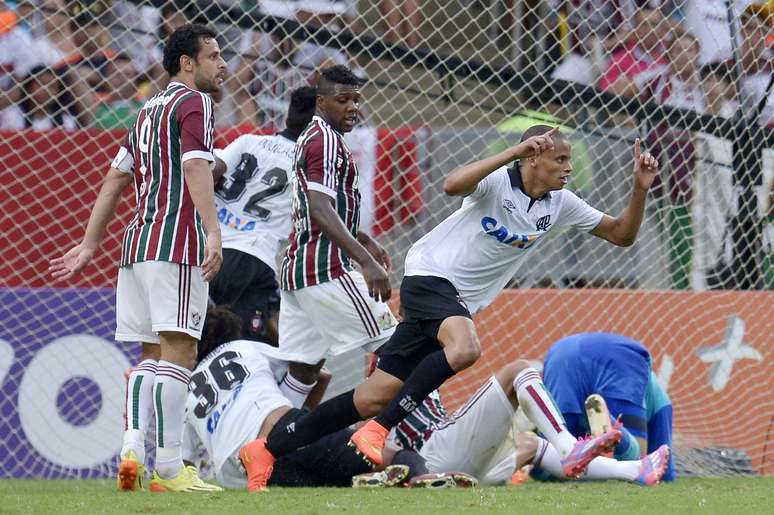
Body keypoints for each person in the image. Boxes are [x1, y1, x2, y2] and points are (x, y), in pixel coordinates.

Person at [238, 123, 660, 491]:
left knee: (373, 395)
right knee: (465, 349)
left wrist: (638, 192)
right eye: (560, 159)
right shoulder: (498, 181)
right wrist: (511, 153)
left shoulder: (561, 203)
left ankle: (266, 449)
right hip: (429, 274)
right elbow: (451, 184)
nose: (569, 168)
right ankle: (379, 430)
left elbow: (622, 234)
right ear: (532, 159)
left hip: (455, 300)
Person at [49, 23, 227, 493]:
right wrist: (213, 231)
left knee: (150, 353)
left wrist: (90, 244)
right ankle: (169, 468)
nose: (223, 64)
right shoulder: (195, 103)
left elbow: (114, 178)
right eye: (213, 56)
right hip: (176, 242)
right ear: (187, 63)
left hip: (136, 247)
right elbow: (194, 165)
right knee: (180, 352)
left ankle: (131, 445)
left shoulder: (147, 110)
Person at [183, 307, 462, 489]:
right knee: (400, 457)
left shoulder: (184, 393)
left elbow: (185, 462)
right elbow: (306, 366)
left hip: (247, 475)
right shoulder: (241, 348)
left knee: (330, 480)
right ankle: (423, 478)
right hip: (279, 437)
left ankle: (366, 480)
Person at [269, 65, 397, 411]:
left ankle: (264, 449)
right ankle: (403, 434)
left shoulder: (316, 137)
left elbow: (324, 207)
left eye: (356, 100)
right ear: (321, 101)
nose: (352, 107)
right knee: (399, 350)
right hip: (326, 269)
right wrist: (366, 261)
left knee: (302, 372)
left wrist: (365, 239)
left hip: (299, 271)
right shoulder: (324, 140)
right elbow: (319, 208)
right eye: (343, 100)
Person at [387, 358, 671, 486]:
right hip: (431, 456)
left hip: (462, 473)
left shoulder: (406, 370)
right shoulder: (392, 364)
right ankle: (570, 447)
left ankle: (635, 469)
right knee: (518, 371)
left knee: (531, 443)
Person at [208, 86, 317, 345]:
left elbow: (209, 173)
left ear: (288, 115)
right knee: (248, 345)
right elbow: (323, 213)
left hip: (208, 251)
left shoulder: (249, 141)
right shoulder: (308, 167)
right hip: (253, 256)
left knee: (197, 339)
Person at [538, 332, 675, 482]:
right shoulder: (663, 406)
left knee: (554, 455)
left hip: (559, 355)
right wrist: (667, 477)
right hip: (621, 360)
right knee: (638, 464)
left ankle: (528, 452)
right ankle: (611, 428)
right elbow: (663, 469)